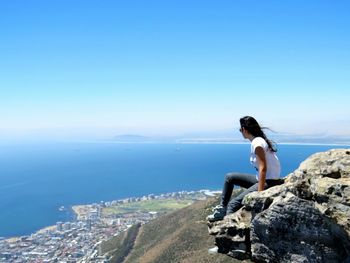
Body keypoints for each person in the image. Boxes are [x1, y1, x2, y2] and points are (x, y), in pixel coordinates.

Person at [207, 116, 283, 222]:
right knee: (230, 177)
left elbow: (263, 168)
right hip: (264, 179)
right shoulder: (258, 141)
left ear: (244, 129)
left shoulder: (257, 143)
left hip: (268, 182)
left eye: (240, 130)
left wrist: (260, 194)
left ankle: (227, 225)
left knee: (233, 205)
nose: (240, 132)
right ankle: (222, 209)